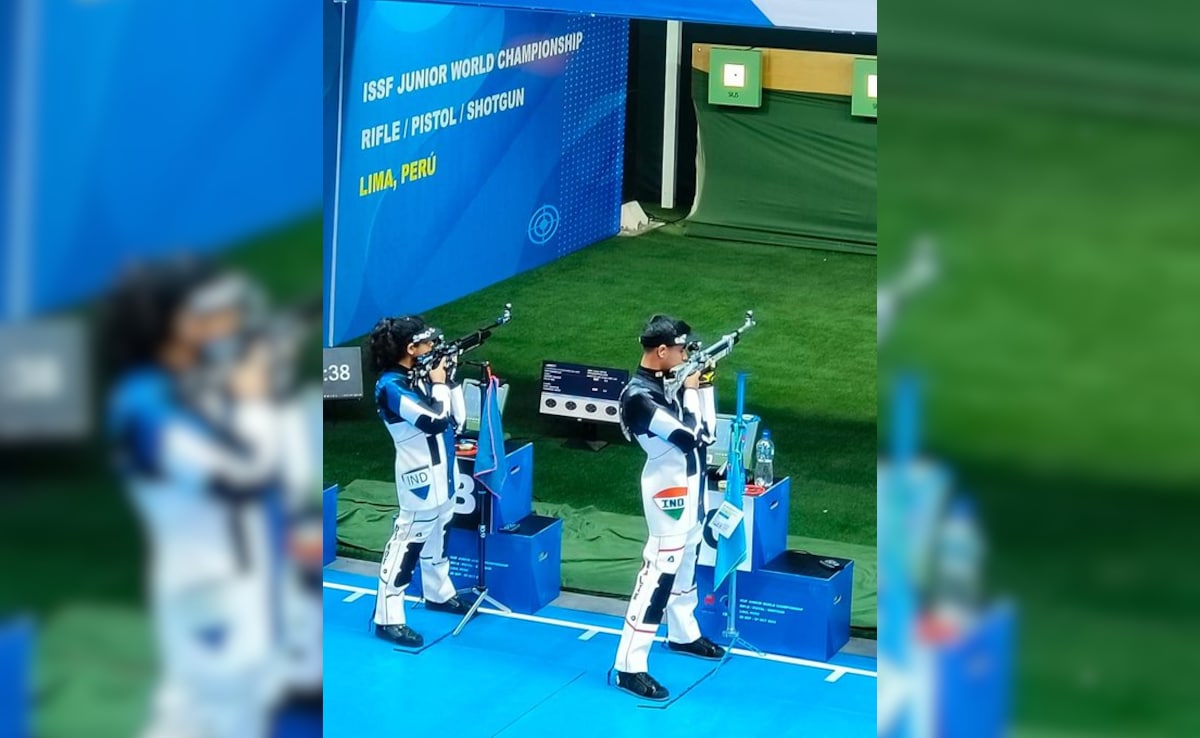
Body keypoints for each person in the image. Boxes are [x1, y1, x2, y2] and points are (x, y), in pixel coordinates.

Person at [105, 261, 286, 738]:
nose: (226, 319)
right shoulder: (143, 404)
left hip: (237, 571)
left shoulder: (192, 381)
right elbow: (243, 479)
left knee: (211, 708)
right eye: (205, 310)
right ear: (166, 321)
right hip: (205, 583)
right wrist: (253, 400)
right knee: (216, 713)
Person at [612, 314, 726, 701]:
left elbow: (707, 434)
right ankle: (629, 665)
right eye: (681, 350)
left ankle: (683, 632)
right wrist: (694, 390)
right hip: (669, 494)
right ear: (661, 351)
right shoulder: (639, 398)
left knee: (687, 561)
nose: (686, 356)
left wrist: (703, 385)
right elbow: (692, 435)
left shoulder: (665, 381)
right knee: (659, 574)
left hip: (691, 487)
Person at [367, 316, 471, 648]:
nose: (433, 347)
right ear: (411, 349)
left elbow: (458, 422)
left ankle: (439, 593)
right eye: (427, 342)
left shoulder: (421, 376)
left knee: (440, 534)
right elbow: (434, 421)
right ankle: (387, 617)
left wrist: (449, 381)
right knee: (407, 544)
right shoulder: (391, 387)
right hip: (420, 479)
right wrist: (439, 383)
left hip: (446, 472)